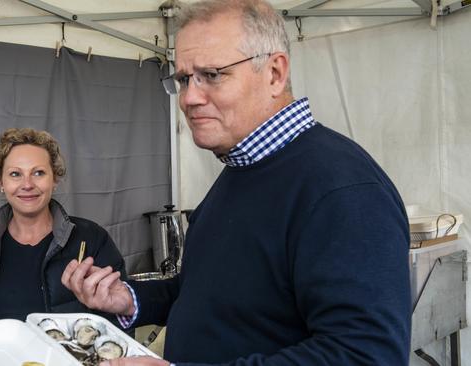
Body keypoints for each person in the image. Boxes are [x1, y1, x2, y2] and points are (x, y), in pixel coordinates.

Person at [61, 0, 412, 365]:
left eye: (212, 74)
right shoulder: (239, 170)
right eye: (183, 79)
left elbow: (365, 355)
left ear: (275, 73)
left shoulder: (340, 189)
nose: (190, 98)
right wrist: (129, 298)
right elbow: (202, 291)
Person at [0, 128, 127, 366]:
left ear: (55, 178)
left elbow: (116, 322)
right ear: (1, 182)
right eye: (15, 174)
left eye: (38, 173)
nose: (27, 184)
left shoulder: (91, 240)